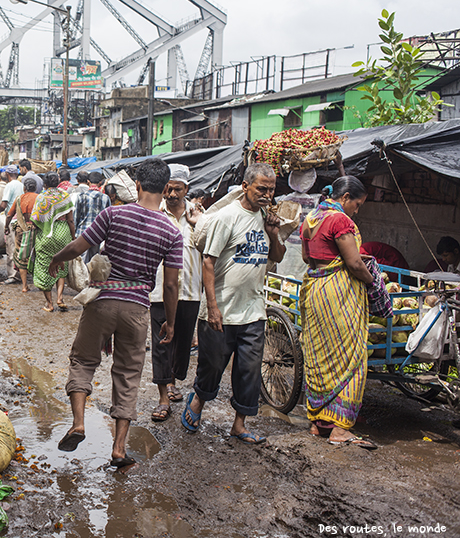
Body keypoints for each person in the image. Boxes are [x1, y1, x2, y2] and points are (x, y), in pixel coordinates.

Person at [49, 159, 182, 469]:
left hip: (103, 300)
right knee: (128, 374)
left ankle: (79, 423)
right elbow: (172, 286)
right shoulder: (171, 231)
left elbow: (80, 246)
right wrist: (170, 323)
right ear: (165, 189)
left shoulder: (114, 213)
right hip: (137, 308)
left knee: (83, 360)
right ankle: (119, 449)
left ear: (137, 186)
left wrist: (57, 258)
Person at [182, 162, 286, 445]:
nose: (267, 194)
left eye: (271, 189)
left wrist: (273, 232)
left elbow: (276, 256)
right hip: (222, 310)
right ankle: (198, 403)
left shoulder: (268, 217)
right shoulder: (226, 217)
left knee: (249, 370)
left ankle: (239, 424)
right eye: (261, 189)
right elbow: (208, 262)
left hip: (253, 309)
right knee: (212, 365)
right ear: (245, 187)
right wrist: (213, 307)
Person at [298, 177, 378, 449]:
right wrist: (372, 282)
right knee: (350, 358)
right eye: (357, 203)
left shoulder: (311, 218)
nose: (357, 210)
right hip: (338, 294)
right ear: (345, 197)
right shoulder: (340, 221)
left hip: (316, 289)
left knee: (320, 356)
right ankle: (340, 429)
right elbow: (354, 263)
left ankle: (318, 421)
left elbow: (308, 259)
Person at [150, 164, 203, 422]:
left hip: (190, 290)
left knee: (182, 342)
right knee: (162, 342)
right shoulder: (154, 214)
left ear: (187, 190)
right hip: (160, 289)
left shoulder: (198, 216)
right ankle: (163, 395)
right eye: (168, 189)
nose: (171, 194)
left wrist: (199, 223)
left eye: (177, 189)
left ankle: (173, 380)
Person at [28, 172, 75, 312]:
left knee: (44, 266)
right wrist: (73, 237)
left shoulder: (41, 198)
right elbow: (70, 220)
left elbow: (35, 220)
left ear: (45, 184)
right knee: (62, 265)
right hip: (63, 234)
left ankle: (49, 304)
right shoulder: (65, 196)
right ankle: (60, 297)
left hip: (46, 235)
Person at [4, 178, 38, 293]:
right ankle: (40, 283)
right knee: (38, 255)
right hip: (37, 229)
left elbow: (9, 215)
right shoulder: (39, 198)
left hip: (21, 230)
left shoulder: (19, 199)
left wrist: (6, 227)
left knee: (22, 256)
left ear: (24, 188)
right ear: (36, 188)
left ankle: (24, 286)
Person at [75, 171, 111, 264]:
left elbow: (76, 218)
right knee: (94, 262)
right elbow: (109, 219)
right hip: (98, 234)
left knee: (81, 263)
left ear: (88, 182)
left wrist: (73, 234)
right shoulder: (105, 198)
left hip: (82, 233)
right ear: (100, 183)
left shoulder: (80, 197)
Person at [0, 166, 24, 283]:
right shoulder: (21, 185)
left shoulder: (9, 185)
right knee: (20, 249)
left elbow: (4, 205)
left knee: (11, 249)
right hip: (22, 220)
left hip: (12, 220)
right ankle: (21, 273)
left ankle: (13, 276)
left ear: (7, 174)